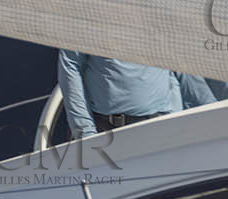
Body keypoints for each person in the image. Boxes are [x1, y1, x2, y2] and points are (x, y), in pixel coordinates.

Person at [57, 53, 222, 137]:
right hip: (109, 131)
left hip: (165, 124)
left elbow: (181, 61)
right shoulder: (85, 16)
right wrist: (85, 133)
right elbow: (70, 69)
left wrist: (210, 115)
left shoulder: (158, 13)